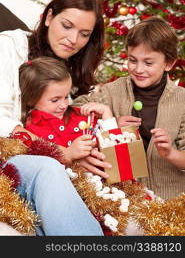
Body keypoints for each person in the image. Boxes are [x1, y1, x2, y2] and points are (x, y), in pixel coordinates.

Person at [0, 0, 111, 235]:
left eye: (84, 34)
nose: (73, 40)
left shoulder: (72, 69)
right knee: (48, 167)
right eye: (67, 25)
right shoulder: (9, 45)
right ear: (49, 17)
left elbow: (68, 119)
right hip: (8, 153)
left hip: (45, 158)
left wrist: (106, 121)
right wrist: (60, 153)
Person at [73, 16, 185, 201]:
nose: (138, 69)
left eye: (148, 63)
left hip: (171, 201)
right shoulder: (113, 90)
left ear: (169, 63)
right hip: (125, 199)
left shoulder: (181, 100)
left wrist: (170, 153)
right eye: (133, 60)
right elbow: (76, 110)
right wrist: (111, 123)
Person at [19, 57, 117, 165]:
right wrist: (70, 155)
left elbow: (115, 147)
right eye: (55, 100)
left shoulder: (80, 115)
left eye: (66, 97)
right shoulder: (30, 131)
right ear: (31, 99)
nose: (63, 105)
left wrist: (106, 114)